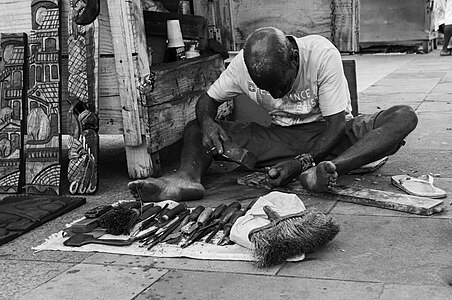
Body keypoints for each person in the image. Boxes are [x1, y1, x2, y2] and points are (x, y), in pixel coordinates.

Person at [128, 27, 418, 202]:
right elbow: (208, 100)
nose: (277, 96)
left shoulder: (320, 53)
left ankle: (329, 170)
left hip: (334, 133)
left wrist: (301, 163)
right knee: (195, 127)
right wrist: (207, 123)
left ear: (294, 58)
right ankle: (186, 179)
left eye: (281, 86)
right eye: (268, 90)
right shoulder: (242, 65)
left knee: (404, 116)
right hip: (281, 138)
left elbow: (337, 125)